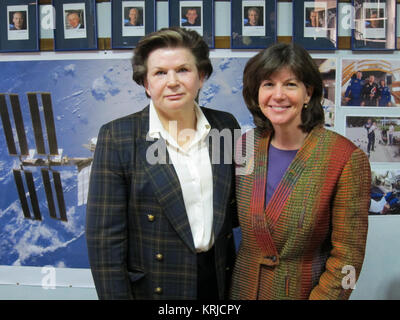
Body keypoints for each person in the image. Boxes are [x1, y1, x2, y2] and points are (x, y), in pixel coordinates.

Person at [86, 27, 240, 300]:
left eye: (183, 70)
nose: (172, 81)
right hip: (156, 287)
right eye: (159, 73)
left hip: (217, 281)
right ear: (146, 84)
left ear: (201, 76)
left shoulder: (225, 126)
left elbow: (238, 209)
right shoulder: (117, 136)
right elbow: (104, 242)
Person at [230, 43, 370, 300]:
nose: (278, 95)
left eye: (290, 84)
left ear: (308, 93)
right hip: (241, 290)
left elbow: (348, 259)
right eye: (268, 84)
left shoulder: (346, 158)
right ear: (256, 93)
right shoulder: (244, 146)